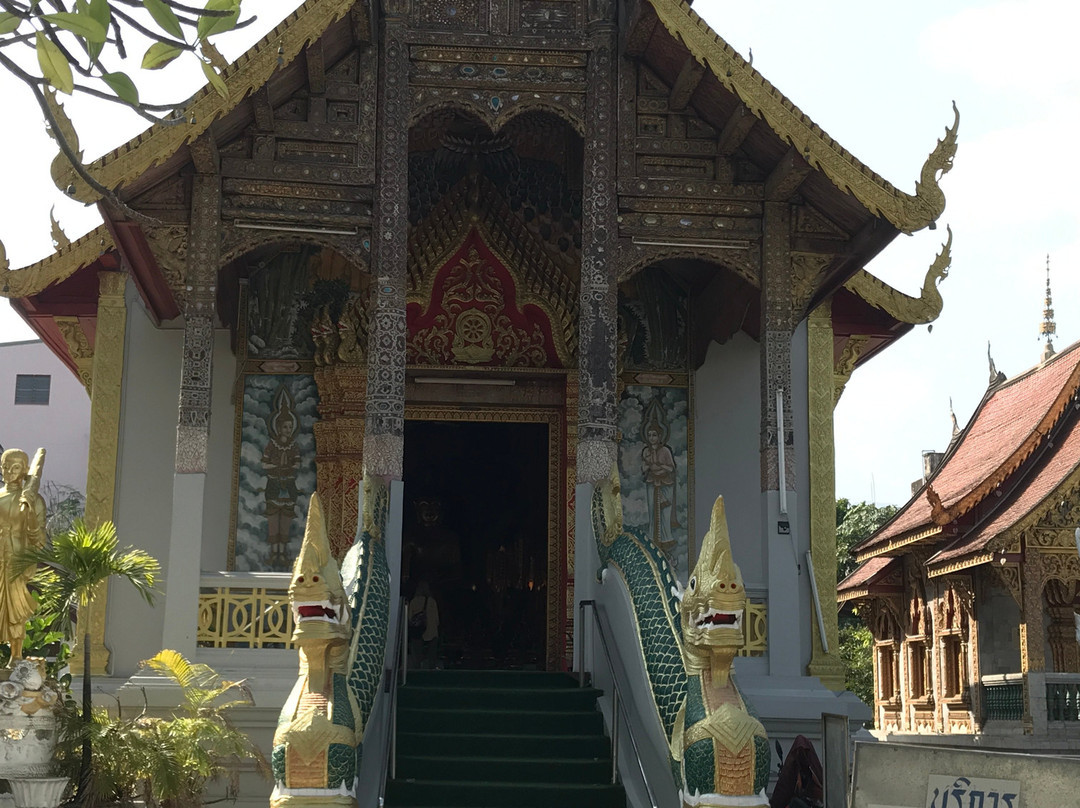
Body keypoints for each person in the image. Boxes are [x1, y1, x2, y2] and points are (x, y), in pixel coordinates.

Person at [0, 449, 47, 662]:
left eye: (15, 467)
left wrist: (29, 511)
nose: (9, 471)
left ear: (25, 470)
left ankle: (16, 656)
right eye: (5, 466)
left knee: (15, 610)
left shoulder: (34, 499)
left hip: (16, 559)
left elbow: (38, 538)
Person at [407, 579, 439, 670]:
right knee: (431, 653)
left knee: (417, 652)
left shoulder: (414, 601)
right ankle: (430, 669)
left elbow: (409, 618)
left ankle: (417, 668)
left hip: (418, 631)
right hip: (432, 631)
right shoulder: (432, 601)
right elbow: (436, 619)